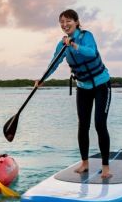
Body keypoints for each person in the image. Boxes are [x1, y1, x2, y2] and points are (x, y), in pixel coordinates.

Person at [36, 9, 113, 179]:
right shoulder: (61, 44)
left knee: (100, 124)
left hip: (101, 85)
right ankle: (84, 163)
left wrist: (74, 44)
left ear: (77, 22)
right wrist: (42, 79)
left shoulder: (86, 36)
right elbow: (53, 64)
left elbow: (91, 52)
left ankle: (105, 166)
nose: (65, 25)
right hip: (83, 87)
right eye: (62, 22)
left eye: (68, 21)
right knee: (83, 125)